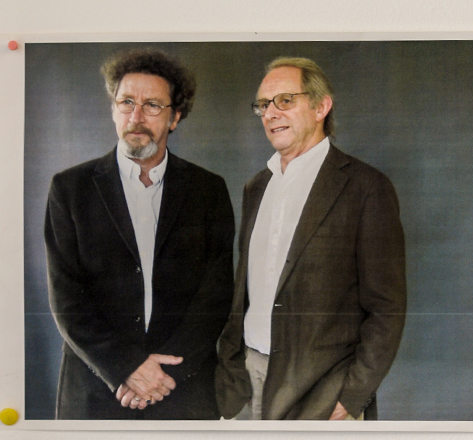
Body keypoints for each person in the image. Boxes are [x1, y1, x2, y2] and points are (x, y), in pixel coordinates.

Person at [45, 49, 234, 420]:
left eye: (151, 105)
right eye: (126, 102)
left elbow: (215, 295)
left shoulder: (207, 190)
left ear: (175, 117)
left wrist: (161, 377)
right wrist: (126, 369)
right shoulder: (70, 189)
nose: (136, 117)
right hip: (97, 390)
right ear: (113, 109)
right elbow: (66, 298)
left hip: (182, 390)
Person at [215, 57, 406, 420]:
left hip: (322, 392)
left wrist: (352, 397)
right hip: (245, 384)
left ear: (321, 106)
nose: (271, 113)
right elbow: (246, 291)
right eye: (263, 105)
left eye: (285, 100)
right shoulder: (257, 186)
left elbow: (387, 308)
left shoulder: (366, 187)